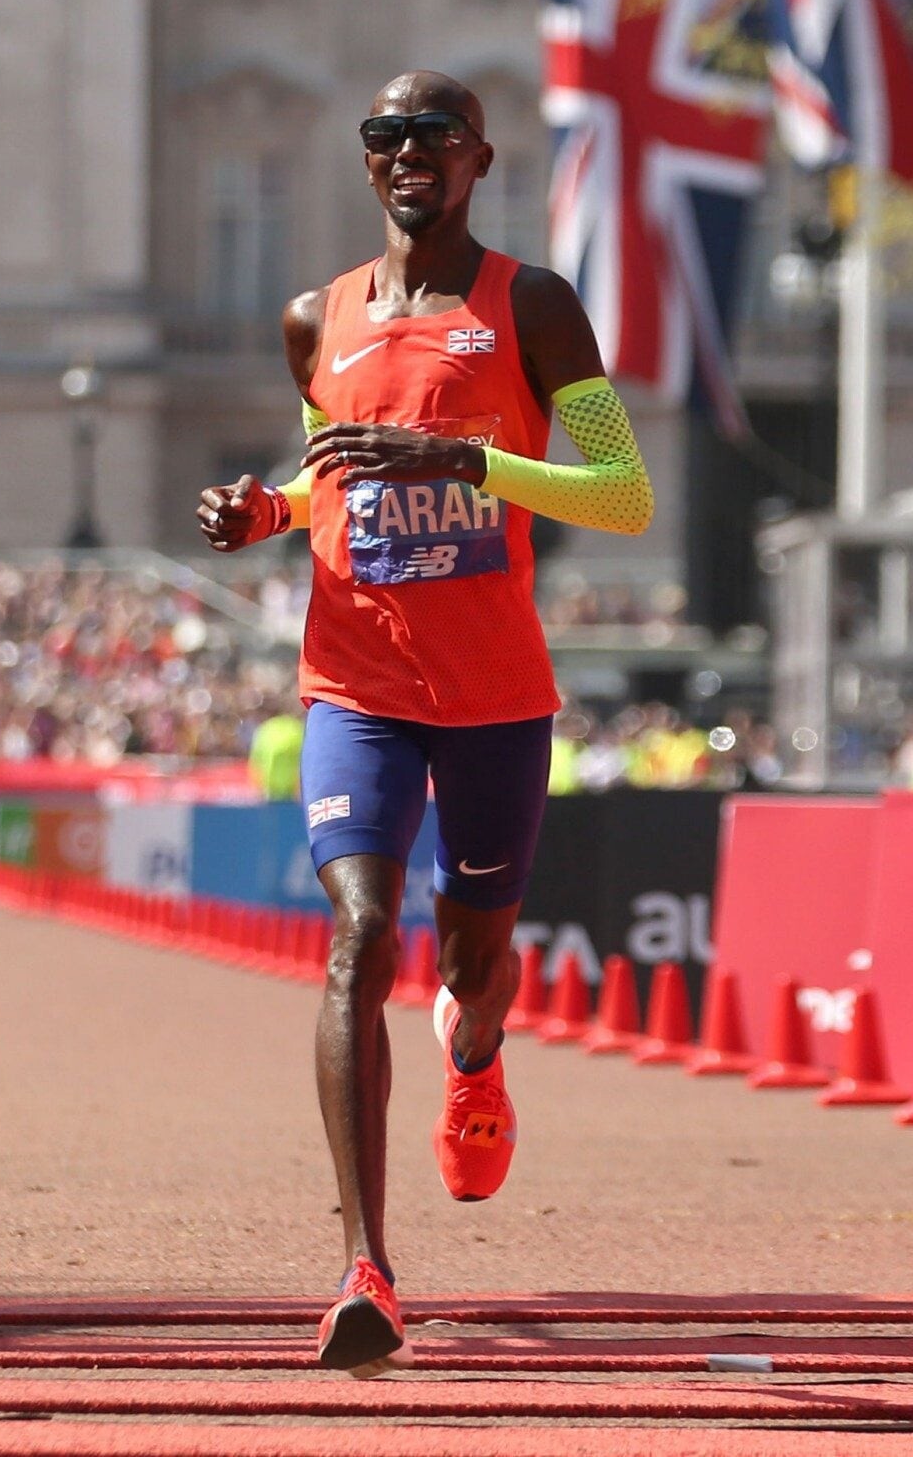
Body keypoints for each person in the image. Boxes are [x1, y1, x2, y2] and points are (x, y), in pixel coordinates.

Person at [195, 71, 653, 1376]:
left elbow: (623, 493)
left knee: (469, 961)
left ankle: (479, 1050)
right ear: (365, 161)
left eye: (434, 136)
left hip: (495, 691)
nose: (408, 153)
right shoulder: (316, 319)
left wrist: (470, 460)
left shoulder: (532, 305)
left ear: (478, 161)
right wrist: (265, 512)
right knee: (355, 936)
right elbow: (331, 479)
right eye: (384, 136)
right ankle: (365, 1267)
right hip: (356, 682)